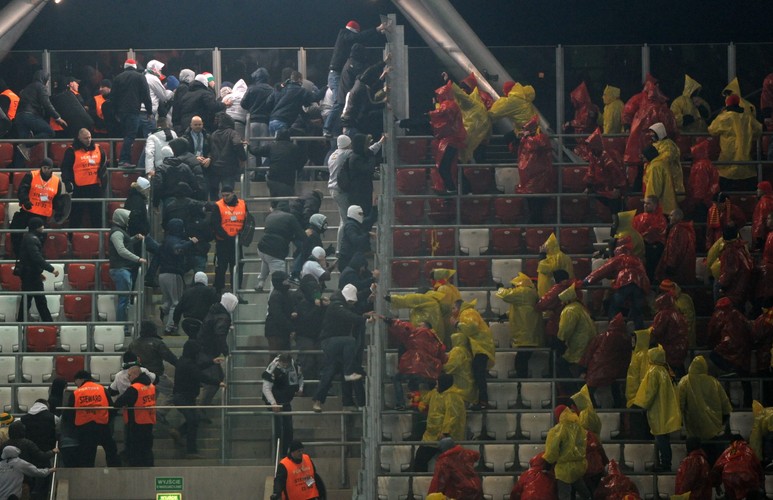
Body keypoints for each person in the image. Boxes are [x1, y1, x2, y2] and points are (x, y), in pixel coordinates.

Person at [323, 19, 387, 138]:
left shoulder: (346, 42)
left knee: (344, 101)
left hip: (336, 74)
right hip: (336, 74)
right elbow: (358, 37)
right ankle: (327, 128)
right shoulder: (344, 34)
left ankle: (337, 127)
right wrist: (376, 29)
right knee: (339, 102)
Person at [311, 284, 367, 412]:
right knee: (350, 346)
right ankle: (360, 401)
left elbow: (354, 304)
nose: (353, 304)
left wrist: (369, 289)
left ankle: (319, 401)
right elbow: (348, 315)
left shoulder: (338, 302)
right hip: (331, 341)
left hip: (336, 344)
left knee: (330, 371)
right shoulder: (337, 306)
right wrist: (364, 319)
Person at [632, 345, 682, 472]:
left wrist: (643, 405)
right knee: (664, 438)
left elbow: (650, 393)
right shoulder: (666, 370)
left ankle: (665, 465)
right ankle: (665, 463)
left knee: (661, 439)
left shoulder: (653, 371)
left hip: (657, 411)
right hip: (666, 411)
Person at [172, 340, 224, 458]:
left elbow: (195, 368)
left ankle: (179, 432)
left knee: (194, 419)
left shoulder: (183, 361)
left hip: (183, 397)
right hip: (184, 397)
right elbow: (200, 375)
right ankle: (191, 450)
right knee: (193, 420)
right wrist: (217, 382)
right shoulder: (189, 364)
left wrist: (211, 362)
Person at [584, 236, 650, 328]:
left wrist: (586, 281)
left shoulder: (619, 259)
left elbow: (601, 271)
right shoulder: (637, 259)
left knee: (614, 307)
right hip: (640, 285)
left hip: (625, 283)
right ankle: (640, 337)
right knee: (637, 313)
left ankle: (614, 331)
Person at [385, 317, 446, 410]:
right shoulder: (436, 338)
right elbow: (442, 354)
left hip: (415, 366)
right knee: (416, 383)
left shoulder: (419, 333)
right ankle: (428, 405)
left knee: (397, 379)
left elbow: (405, 328)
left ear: (425, 327)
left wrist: (390, 321)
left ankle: (401, 404)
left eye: (419, 325)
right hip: (429, 371)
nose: (417, 327)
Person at [412, 374, 466, 472]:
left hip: (445, 437)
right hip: (430, 435)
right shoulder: (435, 392)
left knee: (450, 465)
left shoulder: (453, 396)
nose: (436, 384)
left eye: (438, 382)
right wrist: (416, 399)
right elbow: (425, 399)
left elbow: (452, 416)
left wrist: (445, 432)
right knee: (419, 460)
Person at [708, 93, 763, 190]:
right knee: (748, 193)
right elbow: (759, 129)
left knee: (726, 193)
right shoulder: (747, 117)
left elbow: (712, 130)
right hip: (746, 163)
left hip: (727, 162)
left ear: (727, 104)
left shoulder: (723, 117)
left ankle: (726, 205)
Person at [10, 157, 65, 254]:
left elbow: (56, 200)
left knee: (39, 240)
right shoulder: (31, 175)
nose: (46, 170)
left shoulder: (57, 181)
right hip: (28, 210)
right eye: (44, 167)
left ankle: (34, 256)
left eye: (48, 168)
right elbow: (22, 190)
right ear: (41, 167)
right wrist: (25, 201)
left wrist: (59, 211)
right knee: (15, 228)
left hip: (42, 216)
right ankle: (18, 253)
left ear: (52, 168)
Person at [495, 273, 544, 378]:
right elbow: (522, 309)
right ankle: (521, 383)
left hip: (526, 335)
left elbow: (506, 295)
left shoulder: (524, 291)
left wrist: (500, 288)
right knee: (521, 361)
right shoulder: (529, 293)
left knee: (520, 362)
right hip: (528, 335)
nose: (514, 288)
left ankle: (521, 384)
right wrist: (506, 315)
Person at [69, 370, 120, 467]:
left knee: (87, 455)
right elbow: (111, 408)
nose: (76, 384)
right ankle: (115, 472)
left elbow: (70, 413)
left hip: (84, 429)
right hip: (102, 426)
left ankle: (87, 477)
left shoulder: (76, 393)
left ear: (81, 379)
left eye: (76, 381)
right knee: (111, 451)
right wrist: (107, 421)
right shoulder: (102, 389)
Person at [578, 313, 631, 408]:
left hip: (595, 370)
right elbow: (626, 358)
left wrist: (583, 368)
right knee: (615, 390)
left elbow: (589, 352)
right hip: (613, 372)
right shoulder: (625, 340)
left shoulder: (601, 337)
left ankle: (592, 411)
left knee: (588, 392)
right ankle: (619, 412)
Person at [197, 293, 237, 413]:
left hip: (203, 349)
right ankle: (201, 409)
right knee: (214, 382)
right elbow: (219, 335)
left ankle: (203, 407)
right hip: (208, 352)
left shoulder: (214, 311)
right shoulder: (223, 317)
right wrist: (226, 352)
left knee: (218, 378)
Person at [108, 208, 147, 334]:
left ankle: (123, 327)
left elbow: (126, 243)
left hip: (122, 269)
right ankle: (122, 328)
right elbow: (121, 250)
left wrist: (134, 238)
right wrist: (138, 259)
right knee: (124, 300)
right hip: (121, 269)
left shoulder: (119, 232)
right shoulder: (117, 233)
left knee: (124, 299)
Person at [678, 356, 731, 444]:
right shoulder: (714, 382)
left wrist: (679, 420)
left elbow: (680, 402)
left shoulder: (684, 381)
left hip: (693, 426)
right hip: (714, 430)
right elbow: (725, 403)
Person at [14, 70, 66, 162]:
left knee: (23, 151)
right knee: (50, 132)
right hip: (29, 116)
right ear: (44, 79)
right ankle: (26, 145)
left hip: (19, 117)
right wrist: (58, 117)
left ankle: (21, 170)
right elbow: (47, 104)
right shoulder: (40, 87)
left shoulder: (27, 87)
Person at [453, 298, 495, 410]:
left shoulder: (467, 313)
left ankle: (483, 402)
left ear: (459, 307)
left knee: (479, 375)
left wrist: (457, 323)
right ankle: (480, 401)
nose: (453, 311)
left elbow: (472, 327)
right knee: (478, 374)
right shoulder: (467, 313)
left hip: (481, 347)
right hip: (480, 347)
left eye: (454, 308)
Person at [254, 202, 306, 292]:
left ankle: (261, 282)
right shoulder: (290, 217)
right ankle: (272, 304)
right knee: (278, 283)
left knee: (266, 260)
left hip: (262, 247)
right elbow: (301, 235)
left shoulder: (270, 215)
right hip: (276, 251)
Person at [60, 127, 107, 228]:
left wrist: (103, 182)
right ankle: (72, 237)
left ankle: (98, 238)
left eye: (90, 137)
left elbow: (103, 167)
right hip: (79, 188)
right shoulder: (71, 151)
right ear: (79, 139)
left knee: (97, 215)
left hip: (95, 186)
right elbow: (65, 168)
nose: (89, 140)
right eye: (86, 138)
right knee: (76, 215)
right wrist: (67, 182)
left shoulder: (99, 148)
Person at [157, 218, 197, 334]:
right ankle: (170, 328)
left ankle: (164, 309)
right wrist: (191, 243)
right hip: (173, 273)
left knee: (169, 300)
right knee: (176, 302)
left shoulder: (166, 240)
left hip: (162, 274)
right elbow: (177, 249)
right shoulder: (174, 241)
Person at [109, 59, 151, 167]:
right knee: (130, 135)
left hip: (121, 113)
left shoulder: (118, 78)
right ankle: (124, 160)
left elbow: (113, 97)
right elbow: (146, 95)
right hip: (133, 110)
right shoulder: (140, 77)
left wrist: (115, 113)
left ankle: (123, 159)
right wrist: (149, 111)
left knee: (126, 135)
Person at [15, 217, 58, 322]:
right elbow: (36, 257)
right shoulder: (32, 239)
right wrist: (51, 269)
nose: (43, 227)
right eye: (41, 225)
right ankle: (47, 324)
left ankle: (21, 324)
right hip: (30, 275)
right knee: (35, 301)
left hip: (31, 274)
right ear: (37, 227)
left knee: (33, 301)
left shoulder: (30, 238)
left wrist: (38, 272)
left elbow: (31, 259)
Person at [429, 80, 468, 194]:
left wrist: (430, 114)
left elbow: (441, 113)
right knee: (450, 166)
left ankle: (451, 189)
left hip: (451, 140)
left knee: (444, 167)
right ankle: (455, 189)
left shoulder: (449, 105)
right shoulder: (451, 104)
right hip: (453, 139)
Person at [543, 405, 589, 500]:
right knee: (584, 492)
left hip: (564, 470)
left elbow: (552, 451)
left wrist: (547, 464)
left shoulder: (557, 430)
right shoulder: (580, 428)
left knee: (564, 495)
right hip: (579, 466)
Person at [212, 183, 249, 302]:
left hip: (237, 242)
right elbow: (215, 224)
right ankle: (218, 293)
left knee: (238, 267)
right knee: (221, 268)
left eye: (227, 195)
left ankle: (237, 293)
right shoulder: (218, 205)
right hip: (223, 242)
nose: (225, 198)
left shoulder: (243, 204)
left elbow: (247, 221)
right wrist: (226, 236)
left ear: (233, 193)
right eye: (223, 195)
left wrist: (242, 235)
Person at [262, 353, 304, 457]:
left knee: (288, 429)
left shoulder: (295, 367)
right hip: (274, 401)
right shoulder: (273, 368)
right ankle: (276, 454)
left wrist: (300, 389)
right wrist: (273, 403)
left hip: (286, 401)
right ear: (279, 361)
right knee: (278, 430)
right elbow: (266, 388)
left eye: (286, 364)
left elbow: (300, 378)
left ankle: (287, 454)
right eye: (282, 363)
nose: (284, 366)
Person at [113, 365, 156, 467]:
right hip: (149, 421)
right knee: (147, 449)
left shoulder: (134, 388)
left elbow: (119, 402)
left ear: (135, 374)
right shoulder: (151, 386)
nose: (128, 377)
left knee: (135, 450)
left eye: (129, 375)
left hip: (136, 422)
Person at [516, 115, 555, 221]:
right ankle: (534, 226)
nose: (523, 132)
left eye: (525, 129)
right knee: (531, 202)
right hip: (528, 176)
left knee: (537, 203)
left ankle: (536, 226)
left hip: (540, 176)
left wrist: (526, 137)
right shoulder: (526, 140)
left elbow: (536, 146)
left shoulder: (540, 138)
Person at [254, 128, 307, 204]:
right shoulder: (294, 148)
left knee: (275, 200)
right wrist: (297, 168)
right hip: (288, 178)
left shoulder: (272, 146)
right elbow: (303, 159)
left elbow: (256, 151)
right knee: (288, 202)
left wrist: (248, 146)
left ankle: (274, 208)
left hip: (273, 177)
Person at [555, 284, 596, 383]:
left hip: (579, 347)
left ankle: (571, 390)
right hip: (589, 345)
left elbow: (565, 331)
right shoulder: (580, 308)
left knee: (560, 363)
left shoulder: (569, 311)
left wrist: (559, 341)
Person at [706, 225, 753, 308]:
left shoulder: (729, 251)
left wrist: (721, 284)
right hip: (742, 286)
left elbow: (729, 271)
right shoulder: (741, 246)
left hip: (732, 289)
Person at [208, 112, 247, 200]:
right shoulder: (232, 133)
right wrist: (243, 158)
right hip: (229, 167)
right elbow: (237, 144)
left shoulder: (213, 134)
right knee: (228, 193)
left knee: (214, 192)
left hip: (214, 167)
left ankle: (215, 210)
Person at [711, 436, 764, 500]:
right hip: (747, 477)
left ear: (731, 443)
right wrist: (761, 481)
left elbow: (717, 467)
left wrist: (716, 484)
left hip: (729, 478)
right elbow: (758, 466)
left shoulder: (728, 451)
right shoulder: (749, 450)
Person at [649, 291, 689, 376]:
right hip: (682, 349)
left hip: (668, 351)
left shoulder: (663, 315)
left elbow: (656, 332)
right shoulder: (679, 315)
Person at [655, 208, 696, 285]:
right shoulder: (688, 229)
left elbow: (673, 249)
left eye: (671, 215)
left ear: (677, 217)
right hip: (685, 264)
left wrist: (670, 265)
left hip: (676, 266)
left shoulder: (676, 229)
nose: (669, 217)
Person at [327, 134, 353, 250]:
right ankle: (341, 248)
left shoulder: (332, 154)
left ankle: (342, 247)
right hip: (340, 190)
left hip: (332, 188)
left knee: (343, 219)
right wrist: (379, 143)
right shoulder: (345, 154)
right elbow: (363, 152)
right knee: (345, 220)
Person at [240, 67, 273, 160]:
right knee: (265, 148)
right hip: (266, 122)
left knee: (251, 148)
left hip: (252, 122)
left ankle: (251, 173)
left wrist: (251, 107)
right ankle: (265, 172)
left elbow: (243, 104)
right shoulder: (271, 90)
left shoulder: (251, 89)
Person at [633, 195, 668, 282]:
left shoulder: (661, 219)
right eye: (644, 203)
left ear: (655, 205)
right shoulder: (637, 218)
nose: (645, 205)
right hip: (641, 248)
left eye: (648, 203)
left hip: (654, 249)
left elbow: (659, 232)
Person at [265, 271, 297, 352]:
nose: (287, 282)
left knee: (283, 357)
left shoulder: (284, 293)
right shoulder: (276, 296)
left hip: (281, 330)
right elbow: (278, 315)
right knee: (276, 357)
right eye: (285, 280)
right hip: (276, 331)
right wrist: (291, 327)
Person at [338, 205, 375, 271]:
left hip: (351, 259)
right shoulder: (350, 226)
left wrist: (375, 206)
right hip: (347, 260)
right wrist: (367, 235)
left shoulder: (355, 224)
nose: (362, 216)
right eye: (360, 214)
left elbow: (370, 219)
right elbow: (355, 240)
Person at [536, 233, 574, 297]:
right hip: (565, 291)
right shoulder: (565, 257)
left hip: (551, 293)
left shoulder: (552, 258)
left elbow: (543, 268)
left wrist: (542, 255)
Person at [753, 181, 773, 249]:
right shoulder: (770, 200)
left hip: (762, 234)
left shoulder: (764, 202)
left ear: (764, 190)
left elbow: (761, 218)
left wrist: (757, 233)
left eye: (759, 189)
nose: (757, 191)